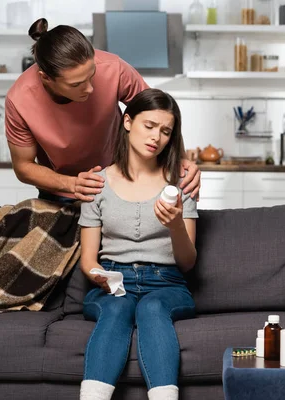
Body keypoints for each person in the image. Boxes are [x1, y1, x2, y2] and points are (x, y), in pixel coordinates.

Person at [77, 88, 197, 400]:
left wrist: (175, 227)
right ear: (128, 122)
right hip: (114, 283)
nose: (156, 137)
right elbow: (88, 258)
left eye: (165, 131)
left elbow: (187, 262)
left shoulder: (180, 185)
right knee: (117, 309)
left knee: (153, 307)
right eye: (149, 125)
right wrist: (99, 274)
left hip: (167, 283)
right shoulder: (98, 184)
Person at [5, 18, 201, 203]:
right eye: (77, 84)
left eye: (92, 75)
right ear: (46, 78)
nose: (90, 88)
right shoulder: (19, 100)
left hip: (119, 178)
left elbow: (159, 113)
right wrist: (71, 184)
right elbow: (23, 166)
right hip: (61, 190)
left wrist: (181, 160)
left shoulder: (114, 68)